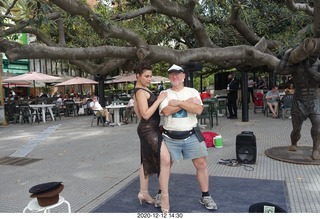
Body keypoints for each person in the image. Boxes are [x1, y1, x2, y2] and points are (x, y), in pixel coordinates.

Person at [159, 64, 217, 211]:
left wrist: (178, 103)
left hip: (191, 135)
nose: (175, 77)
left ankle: (205, 195)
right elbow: (165, 111)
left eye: (178, 74)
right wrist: (187, 103)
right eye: (172, 74)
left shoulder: (192, 91)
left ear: (183, 76)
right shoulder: (165, 93)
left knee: (201, 165)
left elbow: (198, 109)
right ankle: (161, 193)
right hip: (169, 137)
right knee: (165, 166)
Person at [133, 62, 171, 213]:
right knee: (165, 159)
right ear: (138, 76)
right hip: (149, 130)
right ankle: (164, 197)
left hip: (148, 129)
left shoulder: (139, 90)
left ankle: (143, 191)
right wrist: (159, 99)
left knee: (146, 160)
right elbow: (145, 114)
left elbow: (138, 114)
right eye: (146, 76)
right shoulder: (141, 91)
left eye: (150, 76)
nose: (149, 79)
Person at [276, 49, 320, 160]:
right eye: (311, 55)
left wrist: (308, 69)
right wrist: (286, 56)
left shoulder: (318, 65)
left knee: (317, 124)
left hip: (313, 99)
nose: (314, 57)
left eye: (316, 55)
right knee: (296, 129)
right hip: (299, 100)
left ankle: (316, 149)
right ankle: (294, 143)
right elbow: (279, 70)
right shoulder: (297, 65)